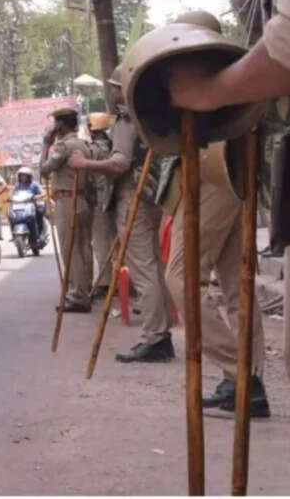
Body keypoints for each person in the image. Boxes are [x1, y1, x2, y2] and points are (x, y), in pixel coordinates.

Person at [167, 0, 290, 410]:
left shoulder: (231, 85)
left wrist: (205, 93)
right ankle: (246, 380)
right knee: (234, 286)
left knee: (184, 278)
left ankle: (239, 370)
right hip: (224, 186)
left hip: (218, 184)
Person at [68, 66, 175, 360]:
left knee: (143, 268)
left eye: (115, 86)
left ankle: (155, 336)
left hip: (134, 196)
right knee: (155, 265)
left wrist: (85, 165)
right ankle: (162, 329)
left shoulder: (128, 119)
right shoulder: (154, 114)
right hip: (155, 195)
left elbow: (120, 164)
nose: (112, 91)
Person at [41, 107, 94, 313]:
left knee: (70, 249)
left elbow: (44, 170)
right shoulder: (84, 144)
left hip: (67, 201)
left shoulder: (63, 146)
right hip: (82, 200)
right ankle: (85, 290)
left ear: (61, 125)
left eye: (55, 122)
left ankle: (78, 295)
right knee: (84, 248)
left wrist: (46, 144)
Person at [87, 112, 117, 298]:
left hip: (100, 200)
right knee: (114, 240)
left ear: (92, 129)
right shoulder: (113, 146)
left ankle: (105, 283)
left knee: (101, 242)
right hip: (114, 198)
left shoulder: (93, 150)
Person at [13, 166, 47, 238]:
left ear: (29, 176)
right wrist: (10, 198)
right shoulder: (17, 185)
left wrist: (37, 196)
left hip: (32, 205)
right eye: (22, 175)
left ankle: (41, 232)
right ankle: (14, 233)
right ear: (19, 176)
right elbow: (14, 194)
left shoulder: (34, 184)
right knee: (11, 215)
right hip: (20, 206)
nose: (23, 177)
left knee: (39, 213)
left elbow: (43, 193)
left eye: (25, 175)